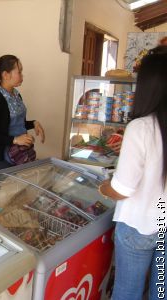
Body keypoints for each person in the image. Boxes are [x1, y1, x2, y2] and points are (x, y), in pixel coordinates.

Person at [99, 46, 167, 300]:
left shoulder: (141, 128)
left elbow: (121, 189)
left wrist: (104, 186)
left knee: (128, 291)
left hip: (138, 225)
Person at [0, 55, 45, 171]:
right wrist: (15, 140)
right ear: (6, 75)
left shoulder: (16, 95)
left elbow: (16, 124)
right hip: (0, 159)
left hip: (18, 154)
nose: (22, 75)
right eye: (19, 72)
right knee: (6, 189)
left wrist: (34, 123)